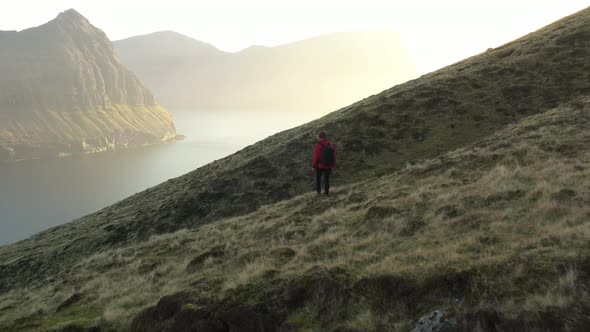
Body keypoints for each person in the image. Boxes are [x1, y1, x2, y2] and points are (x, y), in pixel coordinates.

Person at [312, 131, 336, 196]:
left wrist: (313, 166)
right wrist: (333, 164)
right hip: (328, 166)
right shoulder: (330, 145)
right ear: (325, 137)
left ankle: (318, 192)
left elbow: (316, 156)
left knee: (318, 179)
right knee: (326, 179)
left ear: (319, 137)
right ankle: (326, 193)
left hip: (320, 166)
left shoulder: (318, 145)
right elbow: (333, 155)